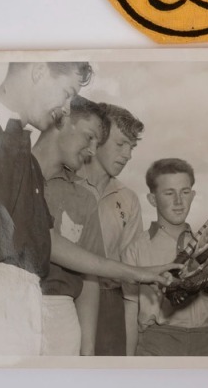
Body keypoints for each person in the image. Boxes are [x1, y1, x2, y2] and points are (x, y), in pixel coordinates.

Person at [0, 62, 176, 356]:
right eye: (65, 93)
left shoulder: (24, 158)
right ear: (37, 72)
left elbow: (50, 243)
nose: (63, 108)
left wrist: (139, 273)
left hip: (24, 308)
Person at [123, 158, 208, 356]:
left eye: (185, 192)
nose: (179, 201)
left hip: (205, 342)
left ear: (193, 195)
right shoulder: (136, 249)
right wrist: (129, 365)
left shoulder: (207, 246)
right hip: (158, 344)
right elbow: (130, 312)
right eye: (169, 193)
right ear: (152, 199)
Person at [32, 95, 108, 355]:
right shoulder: (8, 169)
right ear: (61, 119)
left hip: (60, 315)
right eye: (89, 137)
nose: (93, 151)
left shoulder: (84, 198)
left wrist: (87, 351)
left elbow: (90, 279)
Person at [79, 104, 145, 355]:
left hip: (110, 305)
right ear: (95, 141)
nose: (128, 155)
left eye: (132, 147)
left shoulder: (128, 200)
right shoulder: (62, 183)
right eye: (121, 144)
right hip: (64, 297)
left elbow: (131, 276)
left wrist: (128, 348)